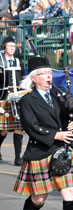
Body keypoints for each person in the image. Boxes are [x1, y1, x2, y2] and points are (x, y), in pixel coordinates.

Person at [13, 56, 73, 210]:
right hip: (42, 151)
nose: (49, 76)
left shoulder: (60, 93)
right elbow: (31, 127)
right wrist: (56, 134)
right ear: (33, 78)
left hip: (65, 150)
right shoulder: (27, 101)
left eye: (50, 72)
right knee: (39, 199)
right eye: (44, 73)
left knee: (70, 193)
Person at [0, 37, 25, 166]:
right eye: (10, 46)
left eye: (14, 46)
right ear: (4, 47)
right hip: (2, 98)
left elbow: (21, 79)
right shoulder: (0, 60)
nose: (12, 48)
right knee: (3, 130)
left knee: (18, 128)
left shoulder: (17, 61)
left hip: (16, 99)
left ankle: (17, 157)